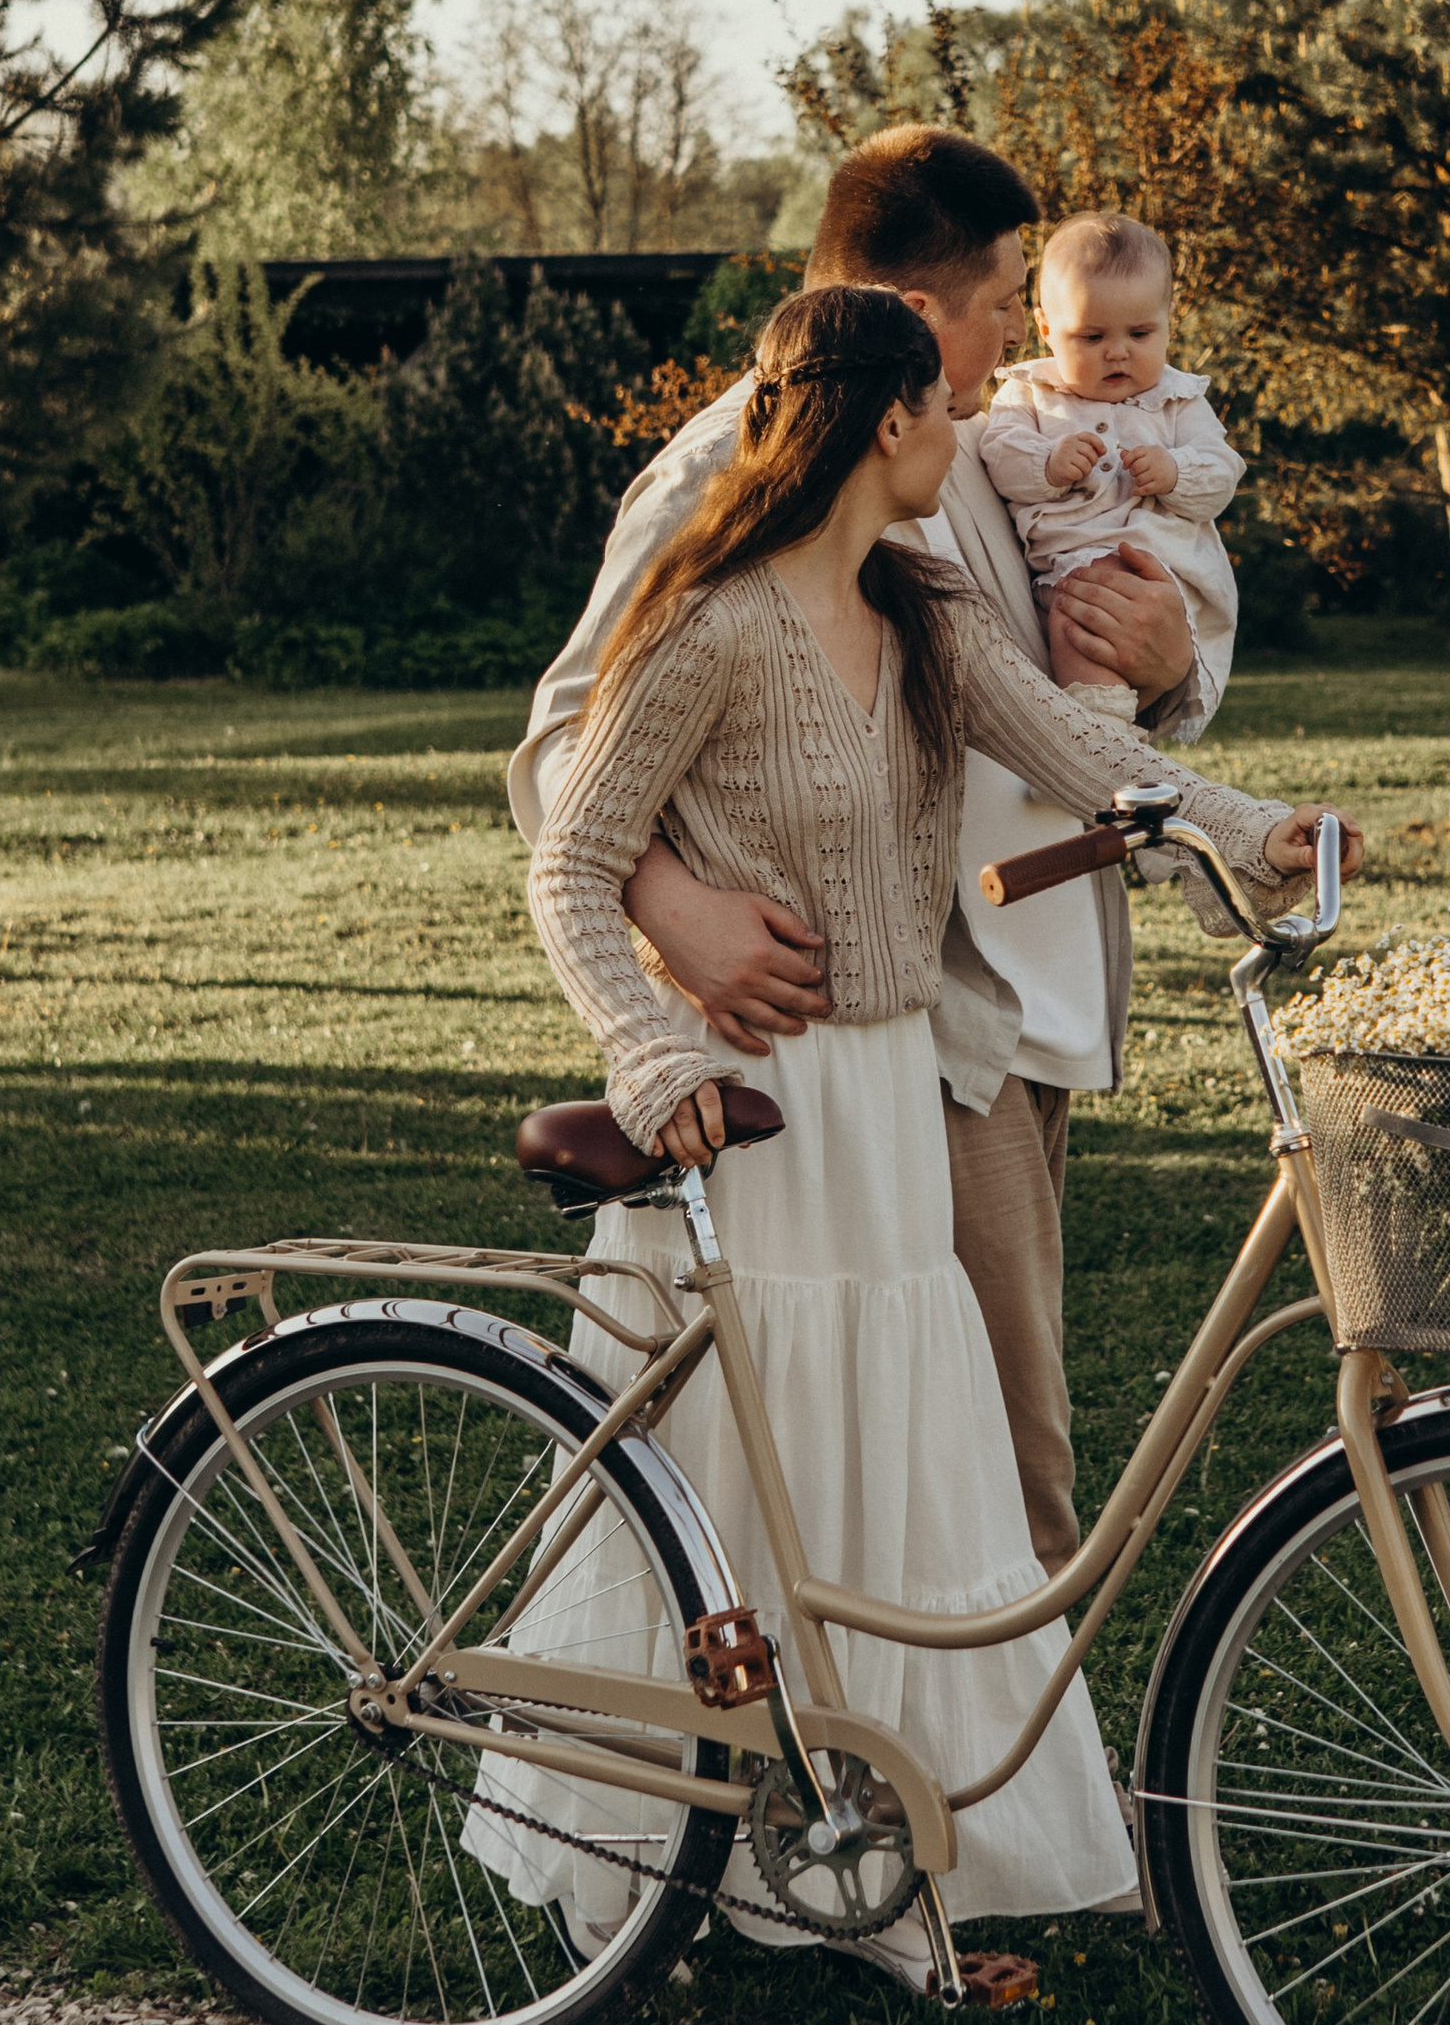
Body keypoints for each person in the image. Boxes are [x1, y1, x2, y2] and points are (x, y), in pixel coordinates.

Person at [509, 283, 1355, 1974]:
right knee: (764, 1484)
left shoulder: (923, 604)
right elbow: (570, 863)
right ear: (887, 420)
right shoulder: (715, 621)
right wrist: (647, 1051)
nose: (968, 435)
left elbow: (1074, 746)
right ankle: (723, 1870)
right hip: (760, 1116)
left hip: (892, 1098)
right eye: (941, 413)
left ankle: (890, 1867)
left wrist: (1261, 831)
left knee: (903, 1486)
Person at [508, 125, 1223, 1576]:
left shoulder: (988, 442)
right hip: (896, 1022)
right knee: (986, 1484)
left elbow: (1047, 692)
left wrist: (1174, 668)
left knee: (948, 1459)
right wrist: (676, 909)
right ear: (909, 318)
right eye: (1009, 295)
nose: (1029, 331)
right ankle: (940, 1788)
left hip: (1023, 1022)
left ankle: (906, 1777)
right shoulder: (738, 461)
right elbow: (568, 738)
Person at [974, 213, 1242, 721]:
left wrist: (1176, 472)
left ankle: (1104, 735)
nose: (1117, 352)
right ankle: (1099, 729)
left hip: (1161, 571)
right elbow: (1001, 455)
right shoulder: (1029, 393)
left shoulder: (1178, 401)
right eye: (1091, 338)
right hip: (1066, 571)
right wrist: (1048, 464)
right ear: (1047, 329)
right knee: (1075, 624)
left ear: (1168, 321)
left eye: (1140, 333)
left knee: (1109, 615)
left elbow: (1220, 473)